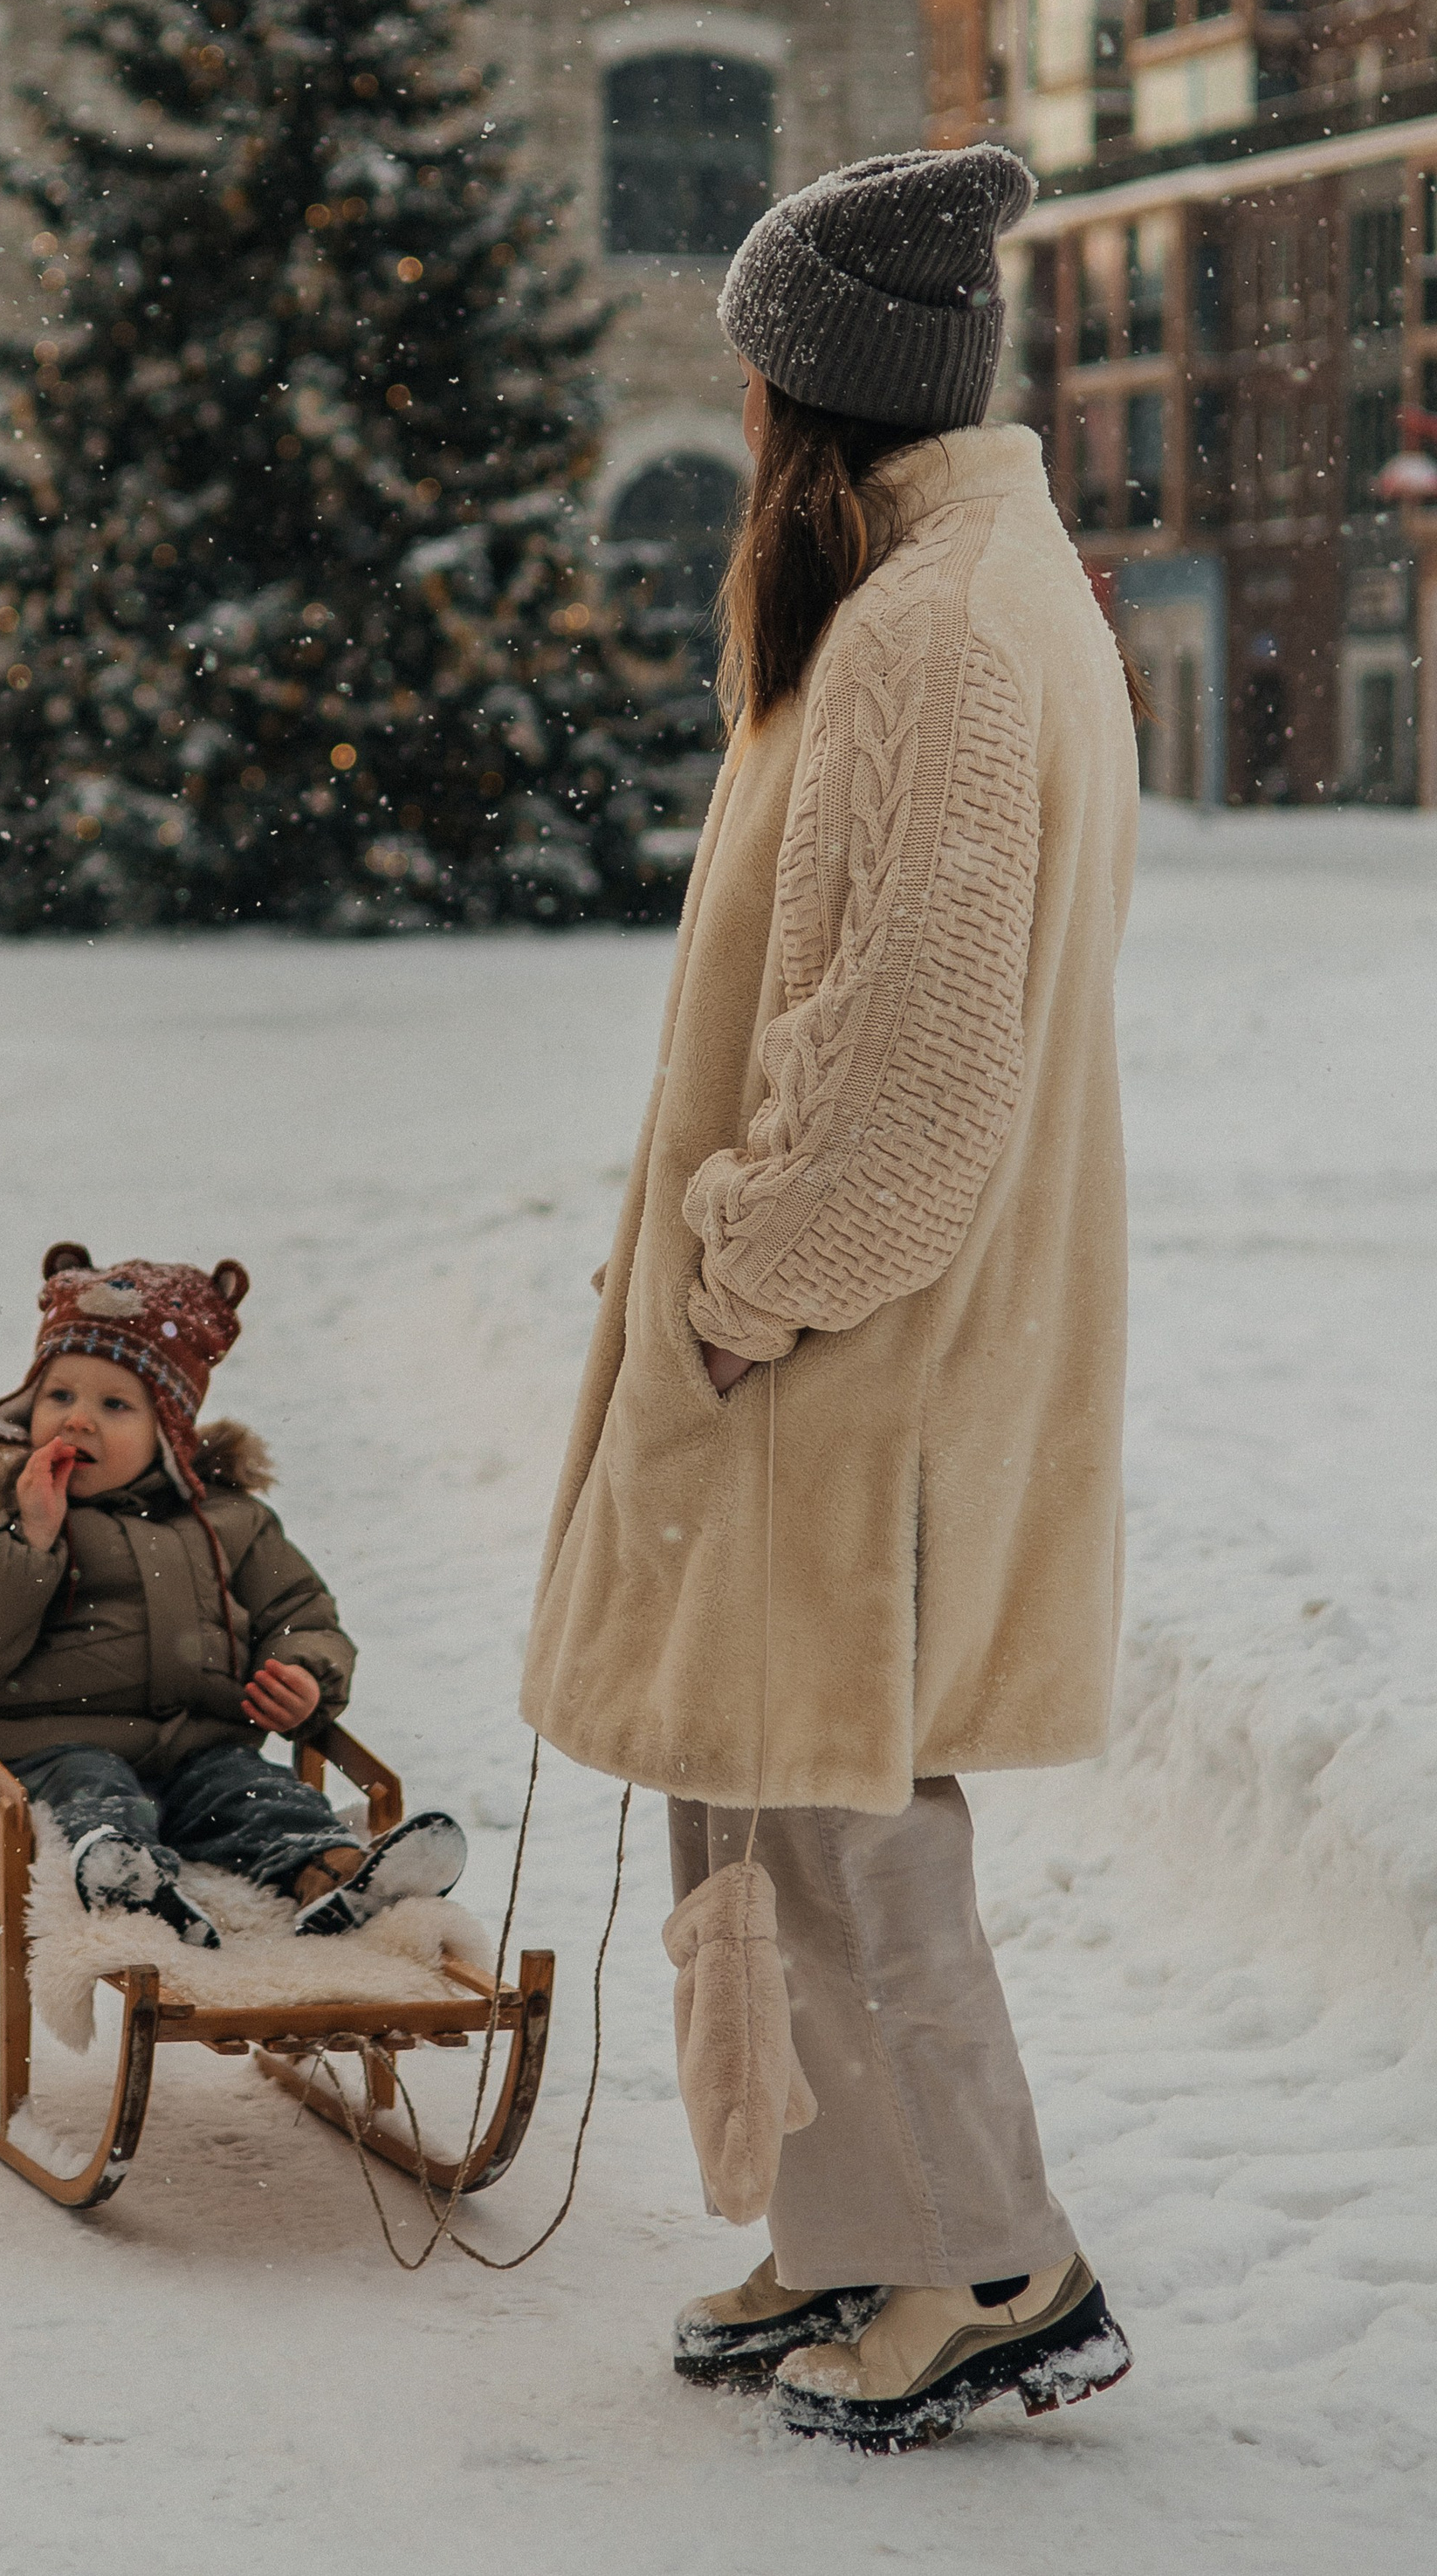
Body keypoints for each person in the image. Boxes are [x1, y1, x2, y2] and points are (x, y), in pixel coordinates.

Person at [521, 147, 1140, 2453]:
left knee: (849, 1825)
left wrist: (740, 1279)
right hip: (845, 1349)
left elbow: (914, 1067)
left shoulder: (934, 639)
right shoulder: (945, 591)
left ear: (812, 394)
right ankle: (840, 2217)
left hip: (844, 1354)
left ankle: (991, 2259)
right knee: (765, 1799)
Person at [0, 1241, 465, 1947]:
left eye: (114, 1404)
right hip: (49, 1752)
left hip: (202, 1752)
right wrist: (28, 1539)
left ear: (168, 1430)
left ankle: (338, 1873)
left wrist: (305, 1678)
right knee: (95, 1790)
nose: (78, 1420)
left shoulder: (230, 1521)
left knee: (258, 1796)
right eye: (59, 1395)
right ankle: (121, 1877)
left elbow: (303, 1616)